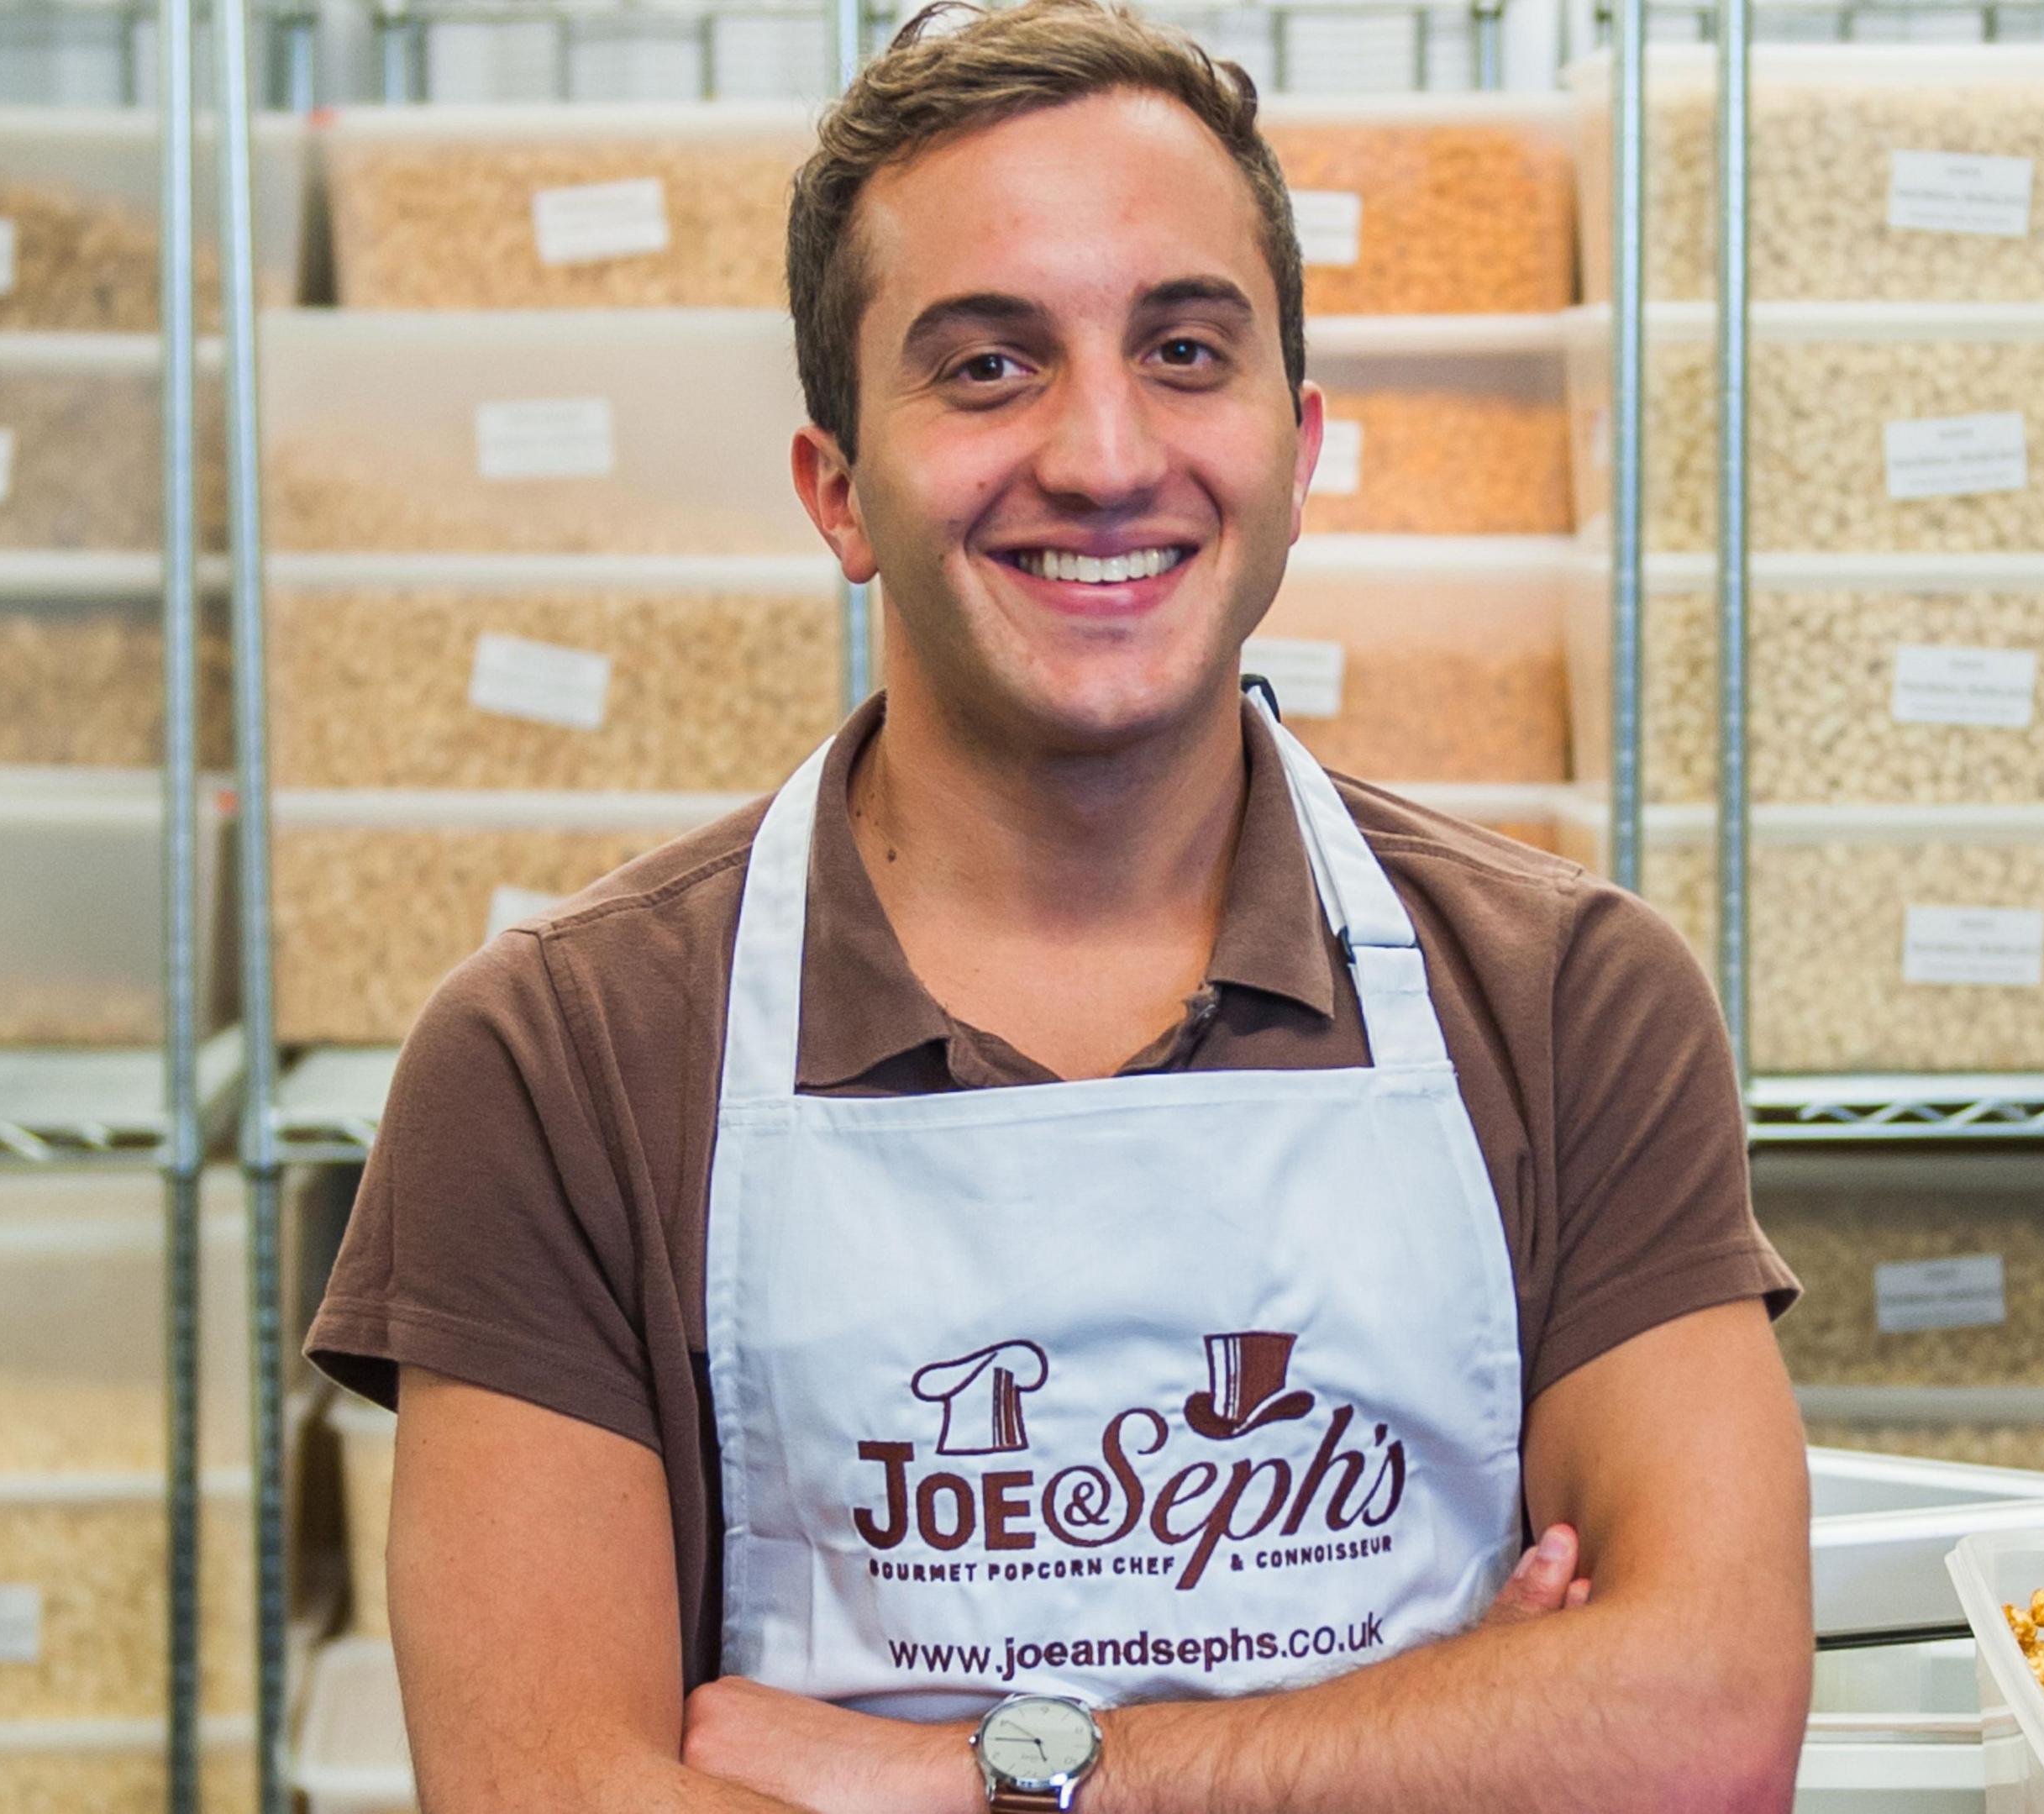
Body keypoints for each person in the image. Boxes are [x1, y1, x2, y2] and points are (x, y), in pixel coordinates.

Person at [304, 3, 1810, 1806]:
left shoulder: (1571, 1000)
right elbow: (552, 1795)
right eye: (988, 368)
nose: (1105, 454)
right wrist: (1440, 1729)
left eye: (1184, 349)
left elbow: (1701, 1732)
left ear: (1301, 445)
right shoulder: (560, 1055)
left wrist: (981, 1776)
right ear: (839, 488)